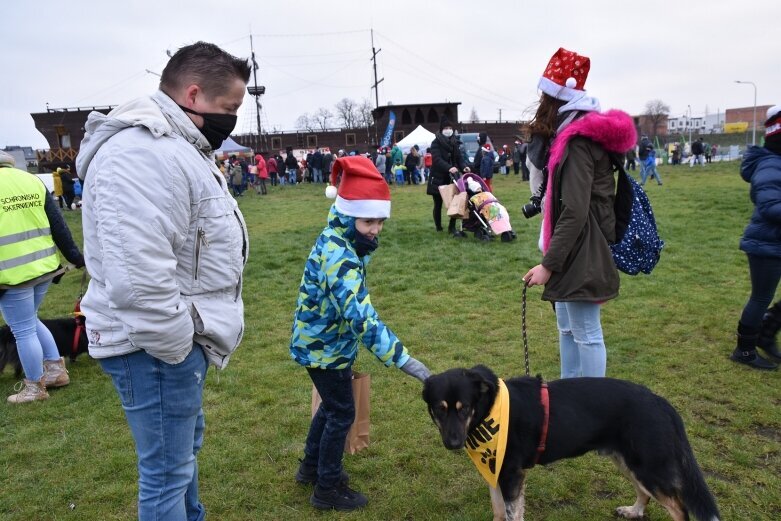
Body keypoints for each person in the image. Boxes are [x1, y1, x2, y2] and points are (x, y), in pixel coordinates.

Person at [75, 41, 250, 520]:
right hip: (153, 347)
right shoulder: (140, 153)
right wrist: (177, 345)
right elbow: (137, 275)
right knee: (166, 475)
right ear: (193, 95)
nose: (233, 119)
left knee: (180, 461)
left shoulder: (177, 148)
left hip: (172, 340)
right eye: (229, 108)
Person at [291, 156, 430, 511]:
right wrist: (405, 361)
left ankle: (311, 467)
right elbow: (361, 317)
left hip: (323, 344)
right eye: (369, 221)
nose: (376, 230)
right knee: (341, 413)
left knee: (331, 408)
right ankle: (328, 487)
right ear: (349, 213)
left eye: (380, 222)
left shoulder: (341, 239)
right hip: (325, 349)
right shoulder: (341, 256)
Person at [523, 48, 635, 379]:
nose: (541, 105)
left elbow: (573, 211)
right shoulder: (572, 135)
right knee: (569, 329)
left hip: (583, 250)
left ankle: (592, 406)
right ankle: (568, 396)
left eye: (545, 98)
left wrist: (548, 264)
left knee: (586, 334)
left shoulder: (577, 142)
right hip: (574, 248)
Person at [0, 151, 84, 403]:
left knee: (22, 329)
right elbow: (58, 224)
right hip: (43, 267)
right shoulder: (31, 180)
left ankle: (34, 387)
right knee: (30, 321)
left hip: (11, 273)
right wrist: (74, 255)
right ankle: (56, 371)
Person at [730, 105, 781, 370]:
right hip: (767, 245)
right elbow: (770, 206)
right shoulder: (770, 165)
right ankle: (745, 350)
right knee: (760, 298)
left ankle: (767, 334)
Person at [428, 116, 469, 237]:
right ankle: (438, 227)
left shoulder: (454, 142)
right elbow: (437, 159)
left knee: (455, 202)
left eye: (450, 128)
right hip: (438, 178)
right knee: (438, 204)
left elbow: (459, 158)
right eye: (446, 128)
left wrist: (464, 167)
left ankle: (452, 227)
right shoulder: (435, 143)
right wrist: (448, 167)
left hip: (452, 178)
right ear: (441, 129)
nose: (448, 130)